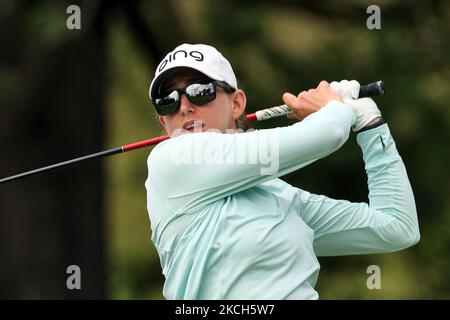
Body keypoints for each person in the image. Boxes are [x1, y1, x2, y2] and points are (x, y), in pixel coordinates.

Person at [145, 43, 420, 299]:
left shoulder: (280, 196)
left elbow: (397, 227)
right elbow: (329, 132)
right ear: (162, 120)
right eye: (167, 100)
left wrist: (370, 124)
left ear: (237, 103)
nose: (183, 106)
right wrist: (335, 107)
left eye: (199, 91)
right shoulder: (170, 161)